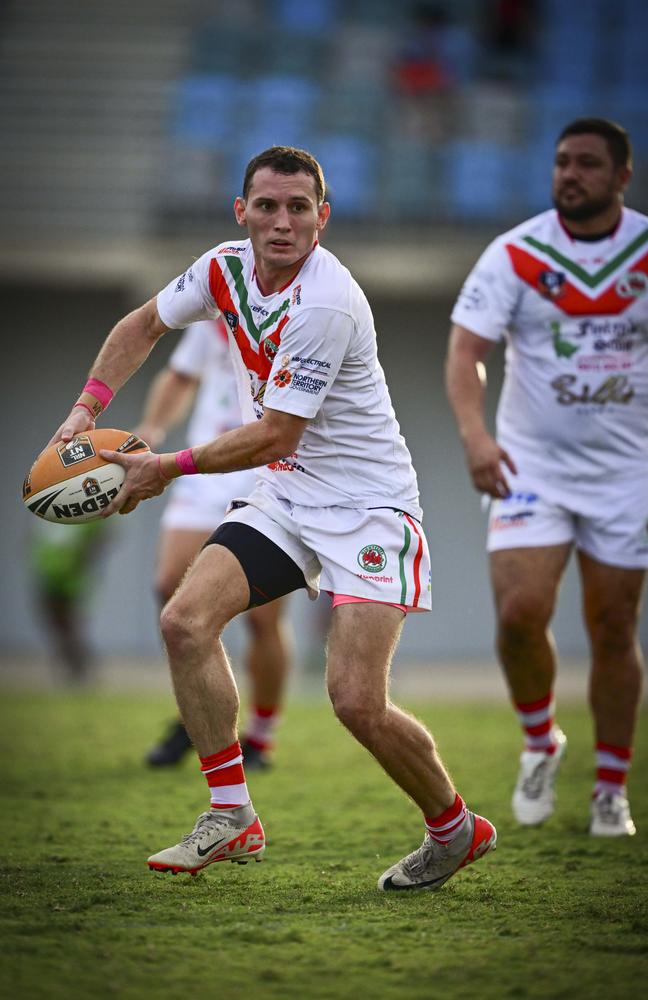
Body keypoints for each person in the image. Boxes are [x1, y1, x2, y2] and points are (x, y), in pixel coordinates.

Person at [48, 145, 496, 889]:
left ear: (323, 217)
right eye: (267, 206)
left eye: (298, 208)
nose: (281, 222)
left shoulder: (328, 299)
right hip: (288, 496)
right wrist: (81, 414)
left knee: (356, 701)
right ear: (241, 212)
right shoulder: (222, 268)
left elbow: (274, 433)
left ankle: (454, 829)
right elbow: (141, 326)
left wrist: (166, 467)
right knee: (184, 621)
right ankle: (232, 814)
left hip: (368, 507)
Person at [446, 118, 648, 837]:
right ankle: (541, 742)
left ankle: (611, 787)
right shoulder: (515, 254)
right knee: (519, 616)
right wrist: (476, 437)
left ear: (623, 175)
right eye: (561, 161)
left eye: (588, 164)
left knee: (614, 624)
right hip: (530, 466)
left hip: (630, 473)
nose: (570, 174)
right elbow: (467, 348)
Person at [138, 318, 290, 769]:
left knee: (262, 619)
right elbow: (181, 375)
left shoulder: (306, 310)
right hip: (205, 469)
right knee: (171, 588)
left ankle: (260, 738)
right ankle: (201, 718)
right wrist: (153, 428)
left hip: (266, 471)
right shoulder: (219, 316)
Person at [29, 518, 109, 683]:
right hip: (47, 571)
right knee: (55, 624)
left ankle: (80, 667)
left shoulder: (82, 511)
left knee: (70, 623)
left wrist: (83, 557)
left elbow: (102, 535)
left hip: (72, 575)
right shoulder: (43, 510)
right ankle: (71, 665)